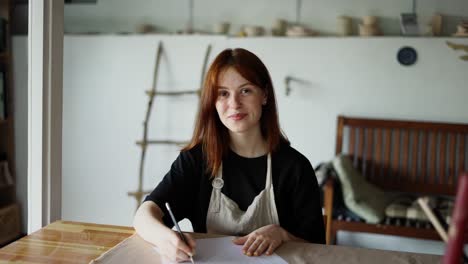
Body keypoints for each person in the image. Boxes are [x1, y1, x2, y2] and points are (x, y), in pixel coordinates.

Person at [133, 48, 325, 263]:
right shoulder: (197, 160)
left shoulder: (295, 167)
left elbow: (317, 248)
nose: (234, 103)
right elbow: (144, 215)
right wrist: (165, 239)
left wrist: (283, 235)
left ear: (265, 95)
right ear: (212, 102)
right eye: (223, 93)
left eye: (245, 91)